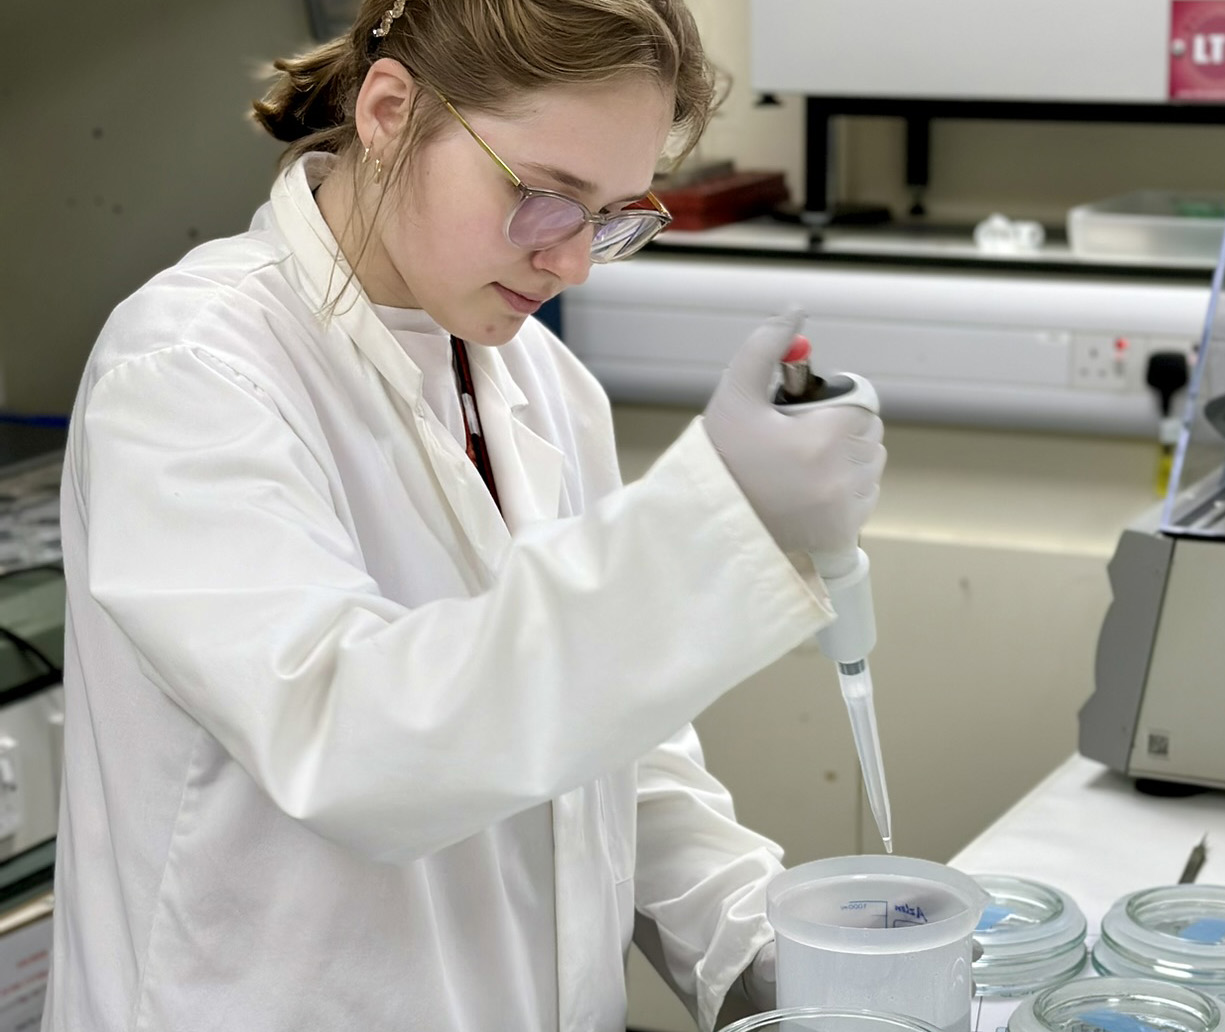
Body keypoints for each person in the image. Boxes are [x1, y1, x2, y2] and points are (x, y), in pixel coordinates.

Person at [42, 0, 885, 1028]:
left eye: (615, 213)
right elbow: (349, 739)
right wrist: (712, 525)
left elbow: (615, 746)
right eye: (545, 197)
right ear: (391, 112)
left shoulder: (543, 380)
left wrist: (760, 949)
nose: (571, 262)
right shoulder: (193, 371)